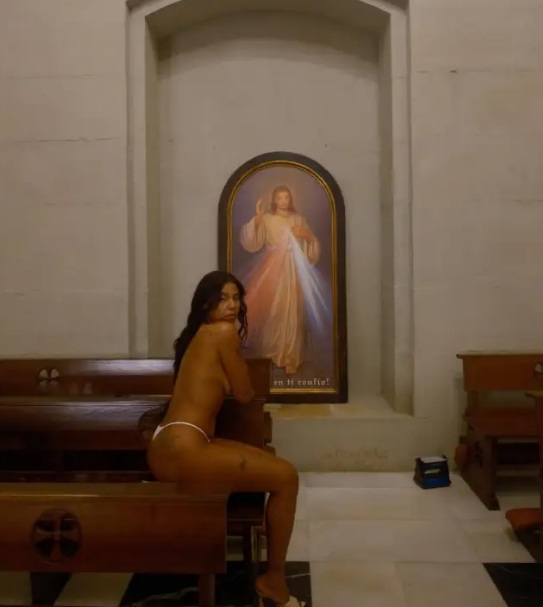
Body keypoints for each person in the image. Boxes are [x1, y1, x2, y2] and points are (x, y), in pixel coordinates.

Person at [147, 270, 303, 607]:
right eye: (223, 299)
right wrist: (234, 374)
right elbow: (245, 394)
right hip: (182, 450)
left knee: (272, 465)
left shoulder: (200, 334)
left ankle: (269, 571)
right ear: (207, 304)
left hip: (174, 443)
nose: (232, 306)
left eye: (236, 298)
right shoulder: (223, 332)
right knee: (287, 478)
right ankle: (273, 580)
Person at [239, 185, 321, 375]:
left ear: (290, 199)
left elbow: (313, 243)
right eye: (279, 197)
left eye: (286, 197)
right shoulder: (267, 219)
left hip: (295, 269)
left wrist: (306, 235)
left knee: (294, 311)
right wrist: (258, 218)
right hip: (274, 269)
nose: (283, 201)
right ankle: (273, 354)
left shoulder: (298, 219)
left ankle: (291, 356)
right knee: (275, 310)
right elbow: (251, 241)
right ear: (274, 200)